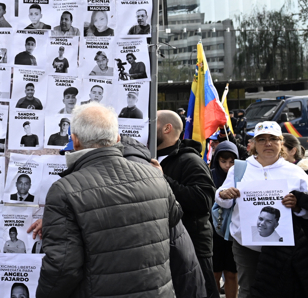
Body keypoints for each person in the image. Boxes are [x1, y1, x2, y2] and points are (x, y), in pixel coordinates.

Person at [28, 102, 181, 297]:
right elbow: (174, 216)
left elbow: (63, 266)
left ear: (74, 141)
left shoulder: (64, 190)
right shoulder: (154, 175)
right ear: (117, 138)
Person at [215, 121, 308, 297]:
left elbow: (306, 208)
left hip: (283, 248)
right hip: (246, 245)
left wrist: (297, 205)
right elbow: (221, 199)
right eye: (262, 139)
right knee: (248, 289)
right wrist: (225, 195)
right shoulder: (239, 169)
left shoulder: (296, 173)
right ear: (253, 144)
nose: (268, 143)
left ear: (281, 142)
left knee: (283, 290)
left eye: (273, 139)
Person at [156, 110, 220, 298]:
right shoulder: (147, 158)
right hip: (165, 247)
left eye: (153, 123)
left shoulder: (190, 160)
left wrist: (161, 178)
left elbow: (203, 201)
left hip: (193, 248)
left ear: (167, 128)